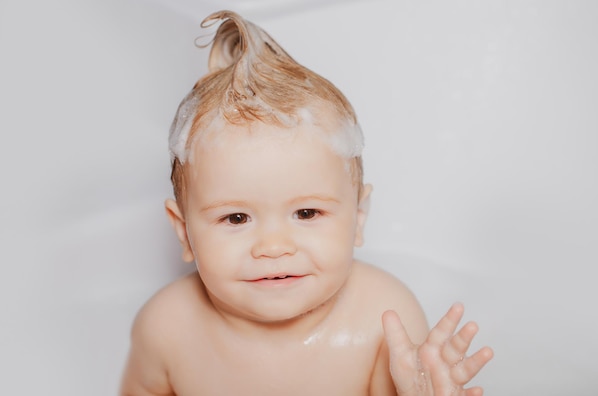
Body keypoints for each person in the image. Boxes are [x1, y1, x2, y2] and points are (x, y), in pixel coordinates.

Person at [120, 10, 493, 396]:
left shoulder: (382, 319)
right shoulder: (166, 328)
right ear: (183, 231)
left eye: (307, 212)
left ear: (359, 217)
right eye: (236, 218)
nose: (274, 247)